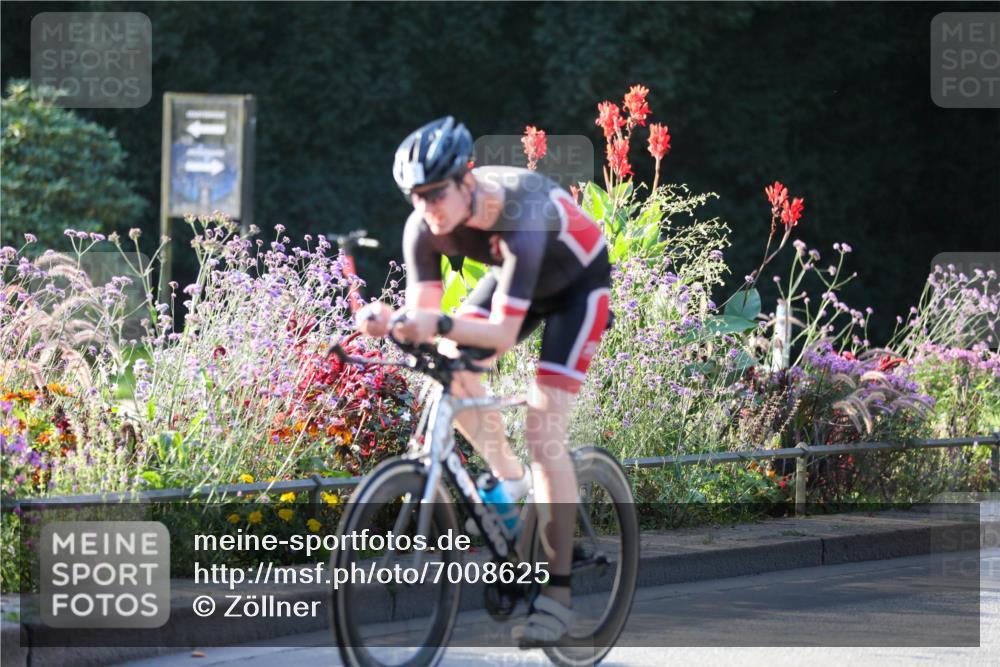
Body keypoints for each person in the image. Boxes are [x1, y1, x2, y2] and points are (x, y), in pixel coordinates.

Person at [356, 116, 612, 646]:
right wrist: (397, 324)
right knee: (446, 364)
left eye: (435, 194)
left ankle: (557, 596)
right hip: (518, 277)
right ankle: (510, 483)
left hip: (576, 288)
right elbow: (427, 321)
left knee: (544, 432)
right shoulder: (421, 227)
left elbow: (500, 335)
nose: (427, 209)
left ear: (466, 179)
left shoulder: (523, 211)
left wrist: (439, 322)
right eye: (414, 197)